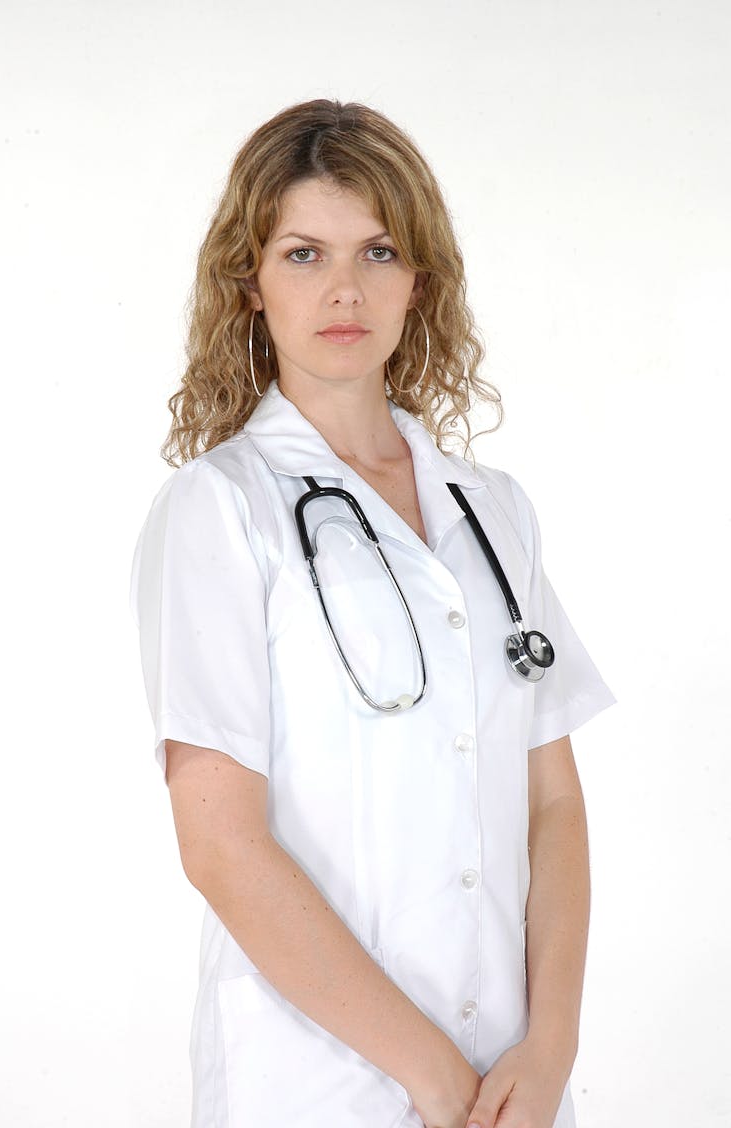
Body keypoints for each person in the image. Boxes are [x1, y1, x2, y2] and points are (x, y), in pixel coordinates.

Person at [130, 99, 614, 1128]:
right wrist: (431, 1073)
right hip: (321, 1086)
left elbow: (555, 806)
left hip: (514, 1088)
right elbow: (218, 842)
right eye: (303, 253)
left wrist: (552, 1044)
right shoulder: (221, 509)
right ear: (249, 286)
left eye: (380, 251)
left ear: (419, 282)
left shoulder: (494, 513)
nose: (344, 287)